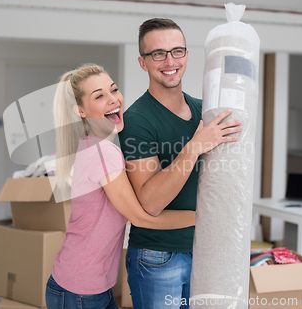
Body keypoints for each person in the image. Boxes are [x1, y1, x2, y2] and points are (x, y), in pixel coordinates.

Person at [45, 64, 197, 309]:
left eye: (113, 90)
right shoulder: (103, 152)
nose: (113, 99)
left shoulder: (93, 145)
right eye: (99, 96)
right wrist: (202, 218)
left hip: (86, 285)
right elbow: (141, 217)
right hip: (79, 290)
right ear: (80, 110)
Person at [118, 18, 242, 308]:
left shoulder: (204, 111)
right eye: (158, 53)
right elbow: (150, 202)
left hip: (205, 248)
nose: (169, 61)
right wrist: (195, 146)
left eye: (177, 51)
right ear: (143, 62)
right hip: (159, 256)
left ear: (187, 55)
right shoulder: (137, 120)